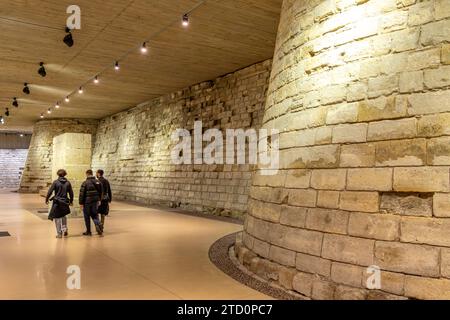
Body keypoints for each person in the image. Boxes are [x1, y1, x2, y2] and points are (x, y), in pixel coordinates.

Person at [45, 169, 74, 238]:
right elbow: (71, 193)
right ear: (65, 174)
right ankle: (64, 229)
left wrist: (46, 199)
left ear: (58, 174)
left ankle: (59, 234)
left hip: (57, 202)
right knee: (63, 216)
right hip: (65, 202)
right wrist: (71, 201)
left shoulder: (56, 182)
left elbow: (50, 191)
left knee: (57, 217)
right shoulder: (68, 183)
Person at [79, 169, 103, 236]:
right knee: (95, 214)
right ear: (92, 174)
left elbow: (82, 194)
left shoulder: (85, 183)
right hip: (95, 201)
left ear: (87, 174)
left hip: (87, 202)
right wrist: (99, 200)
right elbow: (101, 192)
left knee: (87, 216)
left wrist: (81, 203)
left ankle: (88, 232)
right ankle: (98, 223)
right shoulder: (98, 182)